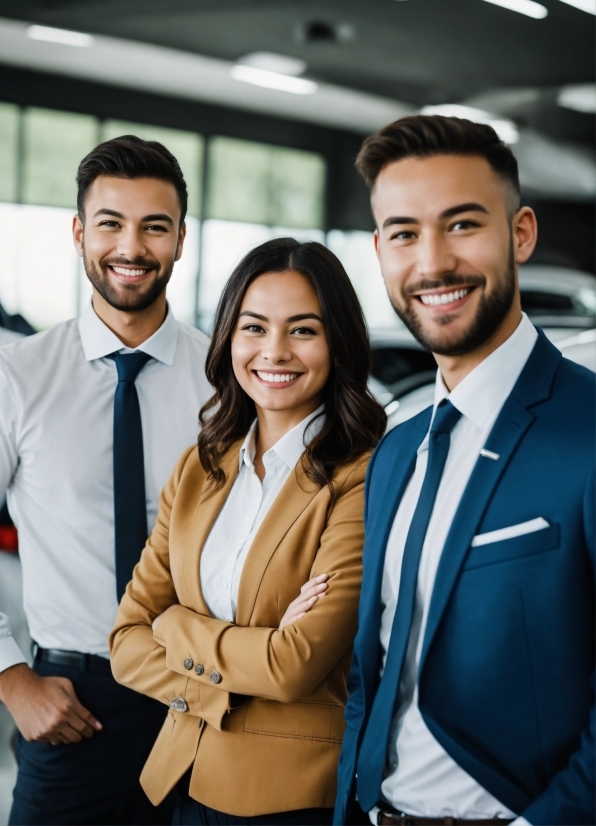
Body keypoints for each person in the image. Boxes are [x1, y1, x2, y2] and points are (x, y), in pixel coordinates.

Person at [330, 116, 595, 826]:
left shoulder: (590, 428)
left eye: (462, 225)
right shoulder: (395, 449)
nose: (433, 262)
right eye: (404, 234)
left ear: (522, 233)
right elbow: (375, 669)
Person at [109, 237, 387, 825]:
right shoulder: (198, 469)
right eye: (254, 328)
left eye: (303, 330)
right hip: (181, 780)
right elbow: (126, 643)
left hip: (289, 798)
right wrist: (243, 659)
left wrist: (177, 624)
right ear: (229, 339)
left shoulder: (361, 478)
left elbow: (295, 664)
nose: (275, 352)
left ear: (338, 342)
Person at [0, 135, 213, 825]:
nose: (132, 246)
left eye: (155, 225)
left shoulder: (227, 379)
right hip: (74, 699)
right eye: (111, 223)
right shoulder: (19, 377)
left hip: (205, 697)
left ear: (181, 239)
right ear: (78, 233)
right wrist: (11, 681)